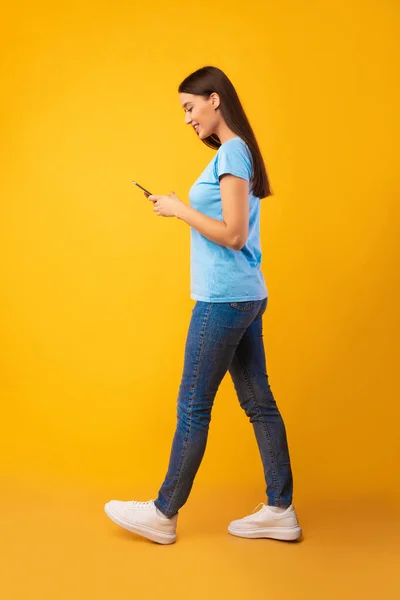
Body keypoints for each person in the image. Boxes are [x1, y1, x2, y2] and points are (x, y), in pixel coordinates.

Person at [104, 66, 302, 545]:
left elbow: (233, 235)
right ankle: (281, 509)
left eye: (189, 108)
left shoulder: (232, 152)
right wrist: (182, 208)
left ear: (215, 100)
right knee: (259, 403)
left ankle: (163, 513)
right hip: (245, 295)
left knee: (193, 407)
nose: (187, 119)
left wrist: (179, 211)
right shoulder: (236, 153)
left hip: (224, 298)